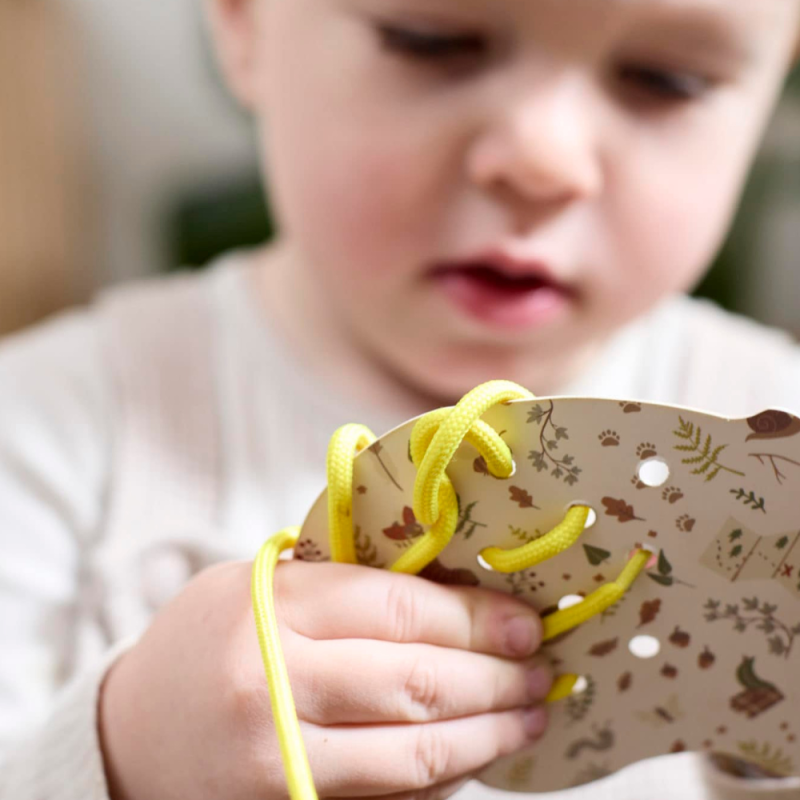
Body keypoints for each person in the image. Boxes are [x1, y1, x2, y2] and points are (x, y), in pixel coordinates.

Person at [1, 0, 799, 798]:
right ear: (244, 25)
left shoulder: (774, 434)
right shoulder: (42, 430)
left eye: (668, 81)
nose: (543, 160)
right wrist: (124, 757)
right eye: (432, 42)